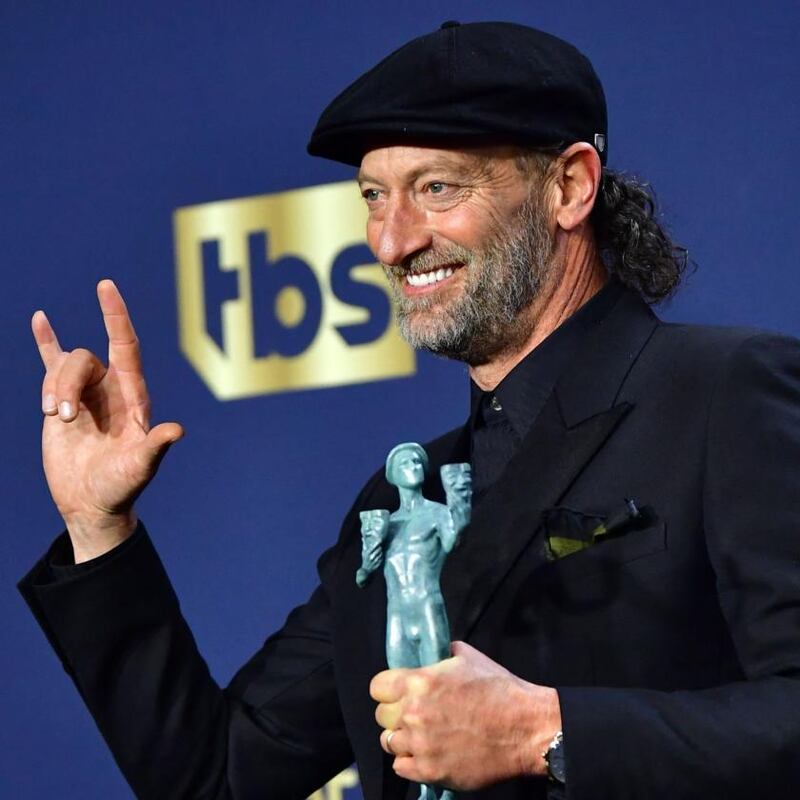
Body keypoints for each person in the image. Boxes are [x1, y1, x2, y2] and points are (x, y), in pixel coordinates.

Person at [19, 20, 800, 800]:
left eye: (436, 188)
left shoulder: (726, 393)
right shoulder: (402, 500)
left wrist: (546, 732)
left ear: (569, 187)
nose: (391, 243)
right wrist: (99, 528)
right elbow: (217, 776)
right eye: (373, 196)